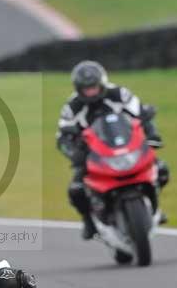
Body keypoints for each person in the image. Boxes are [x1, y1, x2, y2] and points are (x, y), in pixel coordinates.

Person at [56, 60, 169, 240]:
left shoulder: (120, 94)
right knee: (76, 190)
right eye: (86, 89)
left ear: (102, 83)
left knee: (162, 169)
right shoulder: (72, 107)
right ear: (78, 88)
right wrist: (75, 154)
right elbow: (62, 137)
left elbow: (143, 114)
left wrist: (152, 135)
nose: (91, 92)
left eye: (94, 87)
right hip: (92, 155)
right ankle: (89, 222)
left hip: (126, 147)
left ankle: (155, 208)